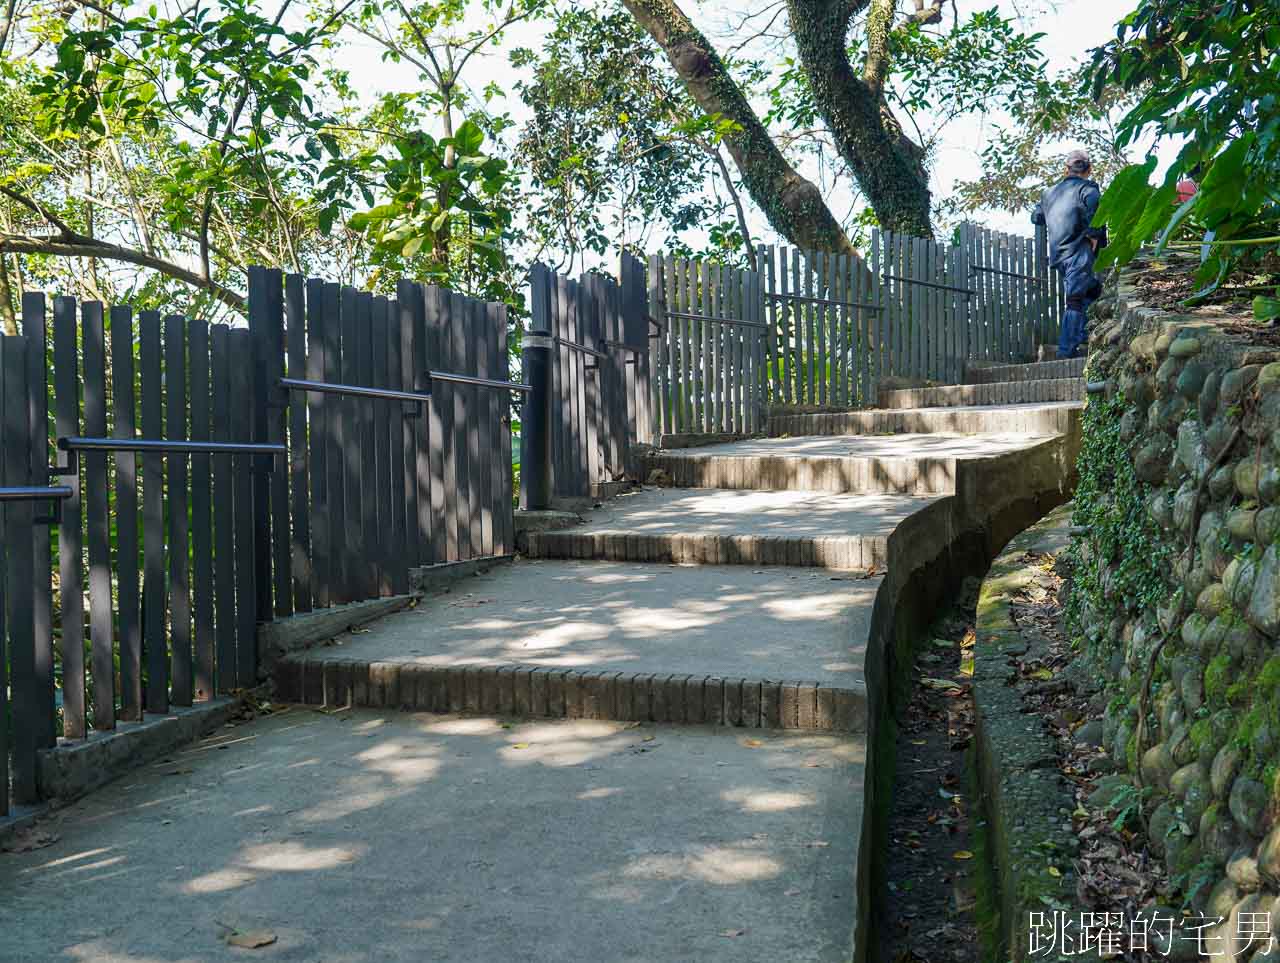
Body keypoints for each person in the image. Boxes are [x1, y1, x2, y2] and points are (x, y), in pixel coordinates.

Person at [1032, 149, 1107, 359]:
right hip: (1079, 250)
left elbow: (1036, 217)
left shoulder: (1048, 194)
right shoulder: (1087, 188)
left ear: (1066, 168)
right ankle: (1065, 353)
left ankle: (1083, 335)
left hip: (1059, 254)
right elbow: (1097, 210)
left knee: (1092, 289)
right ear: (1089, 168)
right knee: (1075, 298)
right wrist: (1093, 237)